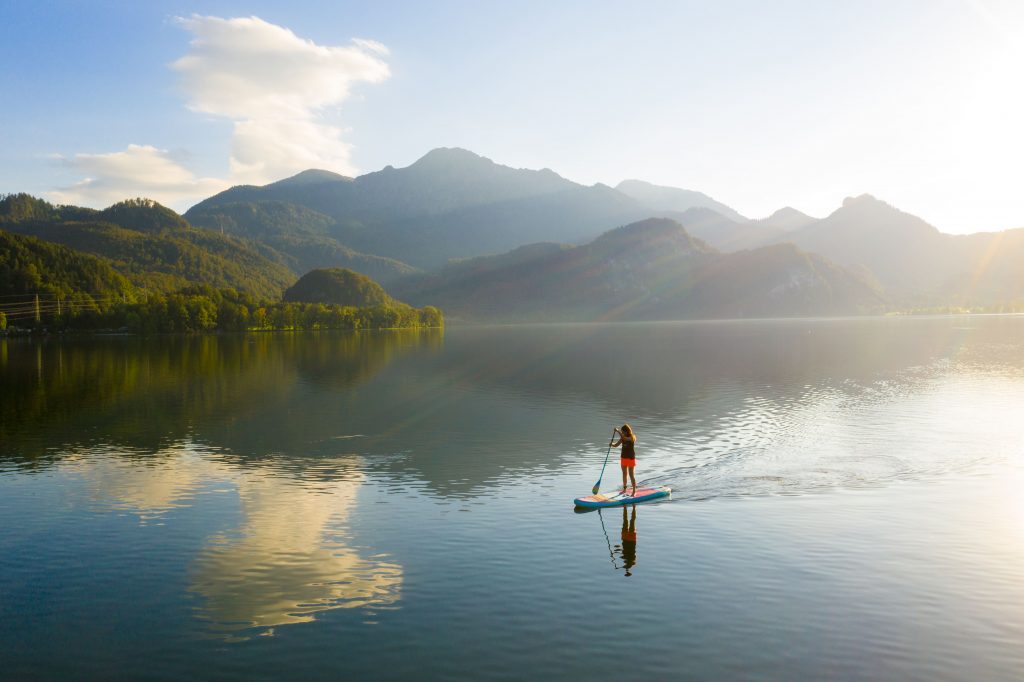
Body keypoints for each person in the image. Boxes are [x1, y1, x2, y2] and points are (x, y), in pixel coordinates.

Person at [610, 423, 637, 495]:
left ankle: (634, 491)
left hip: (631, 458)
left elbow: (625, 438)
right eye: (622, 432)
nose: (622, 433)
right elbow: (616, 445)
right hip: (623, 458)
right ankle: (624, 489)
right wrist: (611, 444)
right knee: (624, 474)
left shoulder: (632, 437)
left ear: (627, 431)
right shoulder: (622, 438)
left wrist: (618, 431)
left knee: (631, 475)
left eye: (623, 432)